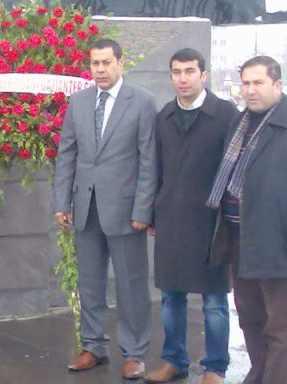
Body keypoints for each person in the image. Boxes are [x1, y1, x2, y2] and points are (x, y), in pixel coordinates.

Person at [53, 38, 157, 379]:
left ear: (120, 62)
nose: (99, 69)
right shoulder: (79, 102)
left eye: (106, 62)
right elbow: (67, 154)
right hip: (85, 208)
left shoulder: (142, 102)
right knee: (89, 284)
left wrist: (143, 209)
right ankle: (93, 346)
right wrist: (61, 201)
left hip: (126, 211)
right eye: (94, 63)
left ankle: (134, 353)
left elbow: (149, 160)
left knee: (131, 285)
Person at [207, 56, 287, 384]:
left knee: (283, 329)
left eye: (258, 83)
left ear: (277, 85)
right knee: (251, 319)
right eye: (246, 83)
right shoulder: (240, 123)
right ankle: (261, 374)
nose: (250, 90)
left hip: (282, 244)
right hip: (241, 239)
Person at [146, 49, 237, 384]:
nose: (182, 78)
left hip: (211, 221)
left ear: (204, 75)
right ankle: (174, 360)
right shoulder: (165, 116)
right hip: (171, 217)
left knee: (214, 301)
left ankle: (215, 367)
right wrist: (152, 212)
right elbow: (155, 168)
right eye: (176, 72)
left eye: (189, 71)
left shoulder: (225, 114)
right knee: (171, 296)